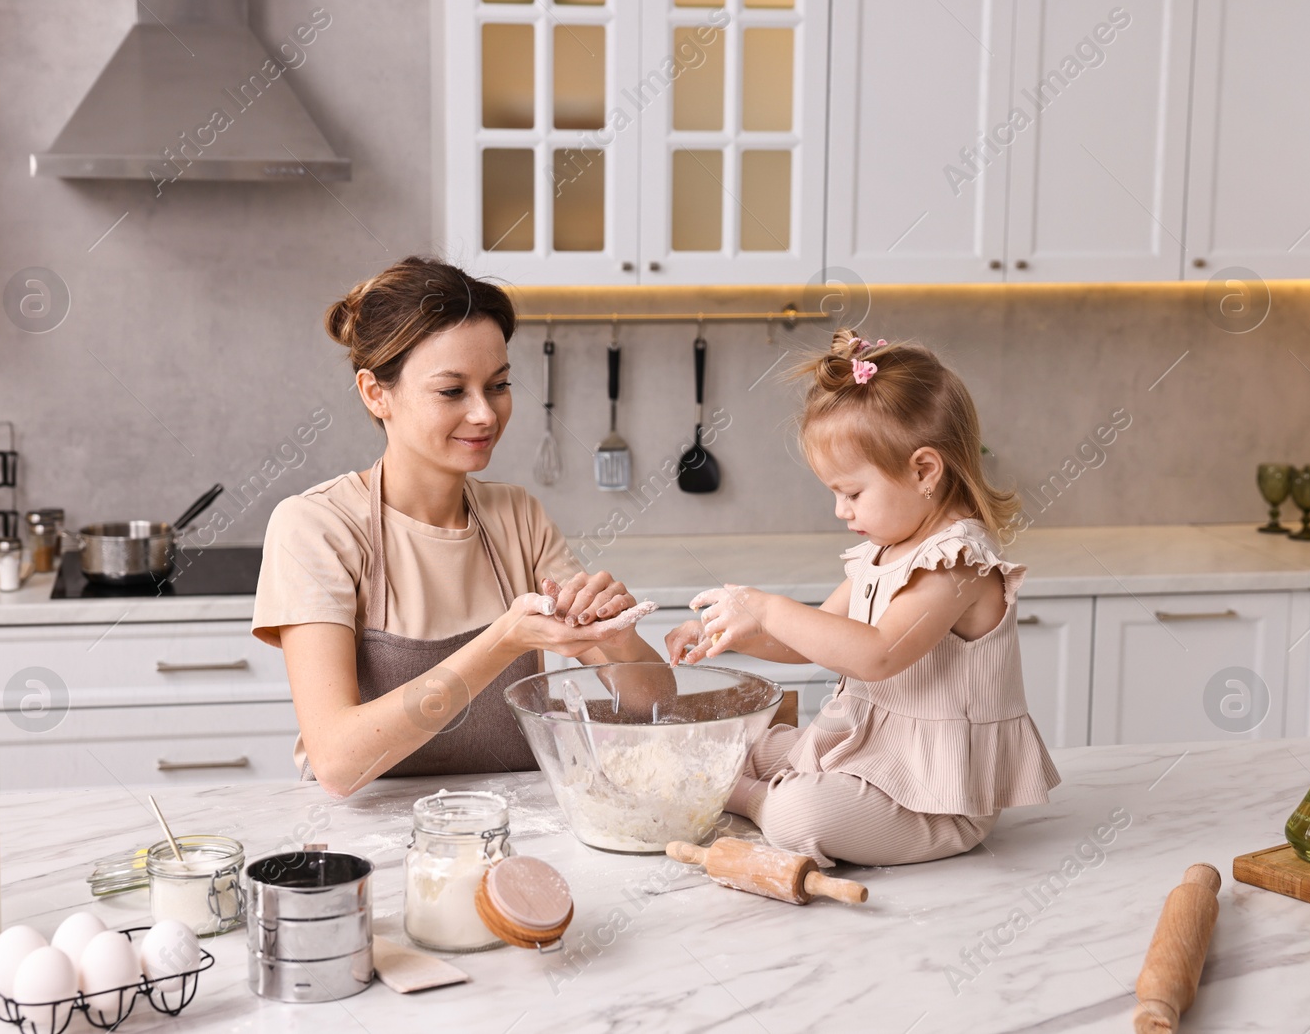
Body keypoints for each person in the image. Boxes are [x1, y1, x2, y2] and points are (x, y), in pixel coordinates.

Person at [252, 257, 661, 796]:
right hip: (370, 841)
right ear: (376, 392)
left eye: (498, 385)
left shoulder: (517, 516)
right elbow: (336, 760)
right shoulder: (318, 526)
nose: (485, 415)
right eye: (452, 392)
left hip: (510, 825)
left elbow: (654, 704)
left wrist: (622, 639)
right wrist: (505, 639)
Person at [665, 330, 1060, 867]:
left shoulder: (959, 564)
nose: (840, 511)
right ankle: (761, 781)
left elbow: (876, 654)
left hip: (938, 796)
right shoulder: (888, 548)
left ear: (924, 471)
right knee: (740, 743)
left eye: (851, 493)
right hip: (875, 752)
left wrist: (768, 606)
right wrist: (729, 633)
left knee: (798, 814)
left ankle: (758, 802)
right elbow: (817, 639)